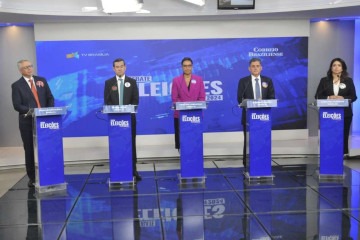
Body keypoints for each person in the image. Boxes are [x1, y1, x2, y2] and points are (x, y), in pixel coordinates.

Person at [11, 60, 54, 188]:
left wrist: (48, 112)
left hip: (45, 121)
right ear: (20, 70)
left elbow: (50, 98)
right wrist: (33, 112)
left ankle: (49, 173)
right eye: (26, 67)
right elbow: (17, 105)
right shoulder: (16, 85)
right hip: (27, 123)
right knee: (29, 150)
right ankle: (32, 177)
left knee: (46, 149)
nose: (29, 69)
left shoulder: (42, 80)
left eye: (30, 66)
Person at [103, 58, 141, 181]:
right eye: (117, 67)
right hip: (115, 120)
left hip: (129, 119)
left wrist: (127, 110)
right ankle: (117, 169)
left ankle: (133, 170)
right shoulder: (109, 83)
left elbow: (135, 100)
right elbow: (107, 101)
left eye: (121, 66)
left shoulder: (132, 82)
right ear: (113, 69)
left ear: (125, 67)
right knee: (117, 145)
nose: (119, 68)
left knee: (131, 144)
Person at [315, 57, 357, 158]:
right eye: (334, 65)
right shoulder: (324, 80)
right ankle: (328, 155)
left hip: (345, 114)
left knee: (343, 134)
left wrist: (343, 97)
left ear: (343, 68)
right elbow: (317, 96)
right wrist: (329, 97)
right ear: (331, 68)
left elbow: (354, 97)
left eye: (339, 65)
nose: (336, 67)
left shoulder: (348, 81)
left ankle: (342, 155)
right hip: (328, 113)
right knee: (329, 135)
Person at [237, 58, 275, 167]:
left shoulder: (268, 81)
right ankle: (247, 163)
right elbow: (240, 99)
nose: (255, 68)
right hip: (249, 117)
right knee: (249, 141)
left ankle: (263, 162)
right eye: (253, 66)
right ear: (249, 68)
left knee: (263, 140)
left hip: (264, 117)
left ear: (261, 68)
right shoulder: (243, 81)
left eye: (257, 66)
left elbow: (272, 98)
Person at [171, 57, 206, 151]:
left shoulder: (199, 80)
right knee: (182, 142)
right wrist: (186, 106)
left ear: (192, 67)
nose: (187, 68)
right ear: (182, 67)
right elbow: (174, 98)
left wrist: (193, 107)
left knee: (195, 141)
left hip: (196, 115)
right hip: (180, 115)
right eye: (185, 66)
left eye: (189, 66)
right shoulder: (176, 80)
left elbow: (202, 97)